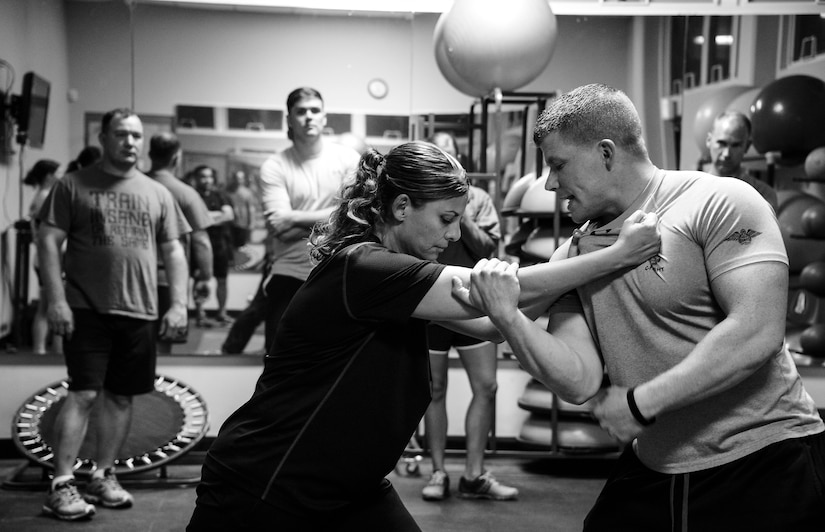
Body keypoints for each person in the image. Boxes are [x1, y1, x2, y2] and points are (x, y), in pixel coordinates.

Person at [185, 140, 660, 532]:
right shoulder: (363, 267)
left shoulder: (402, 282)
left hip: (351, 487)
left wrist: (573, 249)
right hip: (268, 484)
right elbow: (485, 293)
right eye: (446, 219)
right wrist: (616, 255)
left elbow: (492, 322)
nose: (455, 236)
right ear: (401, 206)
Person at [454, 84, 825, 531]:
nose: (551, 184)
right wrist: (506, 317)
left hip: (763, 458)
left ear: (606, 153)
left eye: (557, 165)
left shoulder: (718, 201)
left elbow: (757, 331)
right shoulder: (579, 251)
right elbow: (577, 377)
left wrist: (640, 403)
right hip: (656, 462)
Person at [37, 107, 191, 521]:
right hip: (86, 307)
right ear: (103, 138)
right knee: (84, 393)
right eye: (121, 134)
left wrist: (178, 304)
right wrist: (55, 299)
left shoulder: (157, 192)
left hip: (139, 310)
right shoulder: (72, 185)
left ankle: (103, 475)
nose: (130, 142)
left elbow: (174, 250)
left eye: (136, 136)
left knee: (121, 397)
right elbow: (48, 242)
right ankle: (62, 483)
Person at [419, 132, 515, 502]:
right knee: (433, 391)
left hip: (473, 300)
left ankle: (474, 475)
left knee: (487, 386)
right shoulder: (423, 201)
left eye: (451, 150)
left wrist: (460, 212)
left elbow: (489, 247)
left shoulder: (479, 200)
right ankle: (439, 472)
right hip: (430, 303)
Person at [257, 87, 360, 350]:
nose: (309, 117)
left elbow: (356, 212)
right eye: (301, 112)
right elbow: (279, 225)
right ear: (289, 119)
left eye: (315, 110)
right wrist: (336, 215)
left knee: (330, 365)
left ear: (324, 117)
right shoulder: (275, 166)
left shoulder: (347, 159)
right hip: (288, 273)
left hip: (336, 271)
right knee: (278, 363)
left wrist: (295, 219)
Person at [147, 132, 215, 354]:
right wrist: (205, 277)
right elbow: (201, 240)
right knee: (163, 344)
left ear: (149, 154)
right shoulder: (186, 193)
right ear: (177, 157)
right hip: (169, 279)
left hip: (134, 277)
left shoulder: (137, 186)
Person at [23, 159, 62, 355]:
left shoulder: (42, 196)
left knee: (50, 307)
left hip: (45, 259)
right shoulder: (45, 198)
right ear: (49, 176)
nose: (60, 177)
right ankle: (39, 351)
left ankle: (56, 350)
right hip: (47, 260)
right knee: (47, 307)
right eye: (57, 173)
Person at [705, 110, 778, 211]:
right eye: (722, 143)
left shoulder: (762, 195)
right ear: (709, 140)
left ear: (747, 146)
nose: (726, 154)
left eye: (735, 145)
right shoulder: (692, 190)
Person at [191, 164, 235, 326]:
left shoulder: (220, 195)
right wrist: (217, 216)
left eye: (209, 176)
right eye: (203, 176)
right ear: (196, 178)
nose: (207, 180)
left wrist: (204, 218)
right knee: (199, 279)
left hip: (220, 245)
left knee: (222, 280)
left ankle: (222, 313)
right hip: (200, 245)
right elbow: (192, 218)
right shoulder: (193, 196)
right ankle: (200, 313)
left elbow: (229, 215)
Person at [225, 169, 258, 262]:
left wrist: (252, 222)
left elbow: (251, 208)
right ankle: (233, 260)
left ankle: (240, 260)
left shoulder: (247, 192)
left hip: (243, 221)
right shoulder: (229, 191)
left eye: (240, 178)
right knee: (231, 241)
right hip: (230, 221)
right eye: (236, 178)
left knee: (241, 243)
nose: (238, 180)